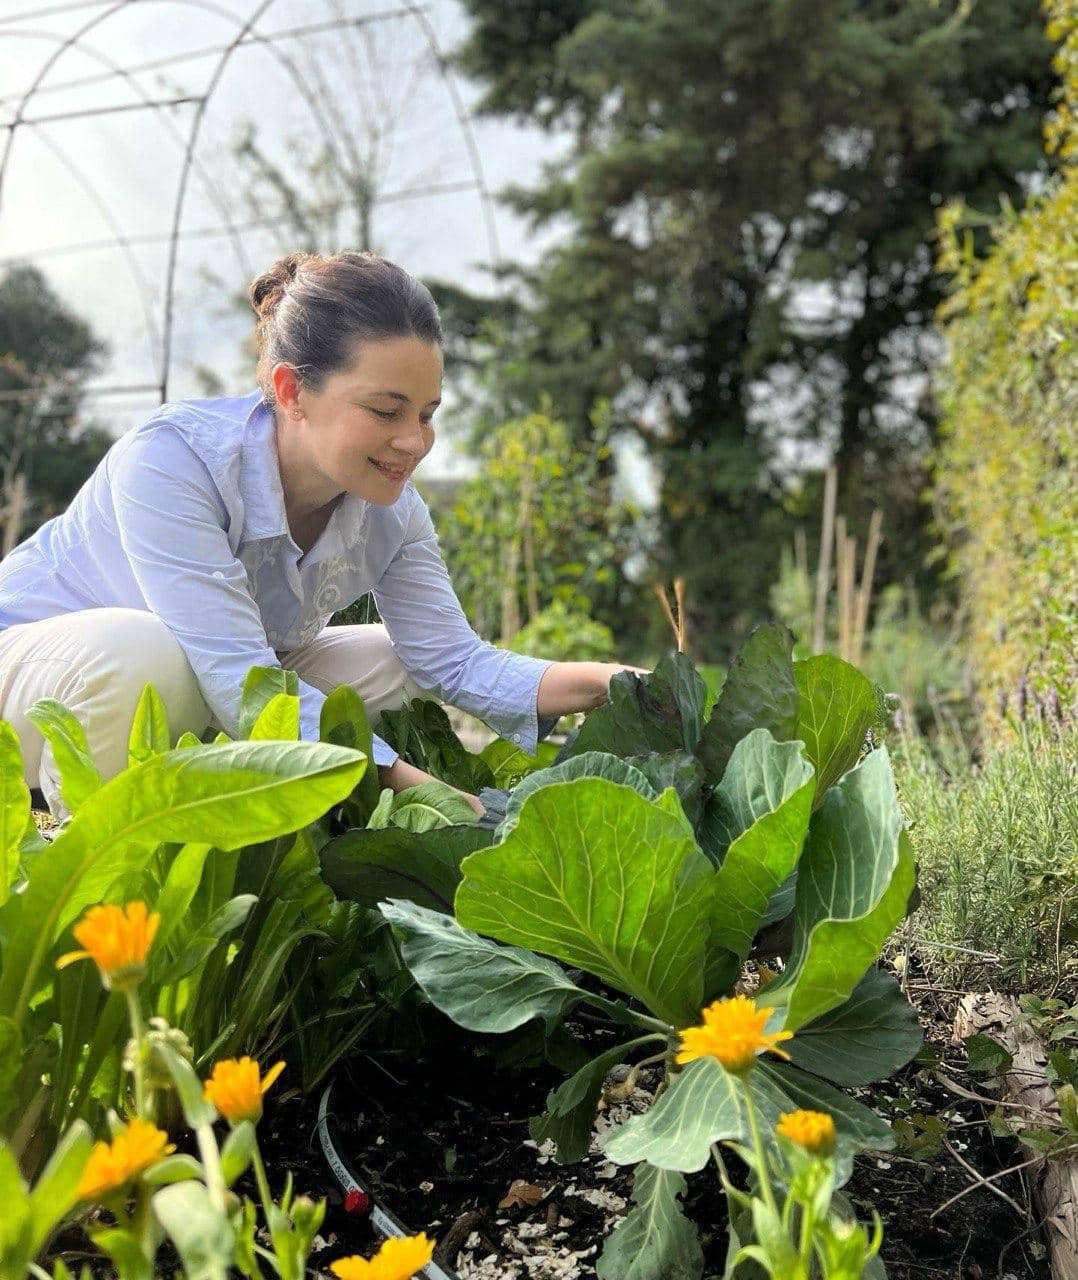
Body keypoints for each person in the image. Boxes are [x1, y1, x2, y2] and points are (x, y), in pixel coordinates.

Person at [0, 251, 644, 817]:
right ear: (291, 390)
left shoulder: (391, 511)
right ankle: (82, 824)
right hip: (40, 673)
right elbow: (237, 675)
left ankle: (271, 796)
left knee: (395, 659)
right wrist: (437, 800)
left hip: (210, 679)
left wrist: (614, 680)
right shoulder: (172, 461)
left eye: (426, 415)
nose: (413, 442)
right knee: (140, 653)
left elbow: (453, 659)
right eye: (386, 411)